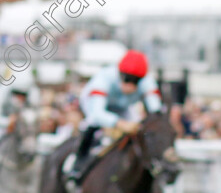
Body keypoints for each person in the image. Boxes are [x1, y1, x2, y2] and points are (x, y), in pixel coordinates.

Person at [69, 49, 163, 181]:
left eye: (135, 81)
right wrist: (120, 124)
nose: (130, 85)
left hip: (123, 107)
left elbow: (156, 111)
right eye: (127, 79)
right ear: (119, 73)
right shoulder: (104, 78)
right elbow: (97, 114)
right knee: (92, 124)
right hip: (95, 104)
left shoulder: (148, 81)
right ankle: (78, 163)